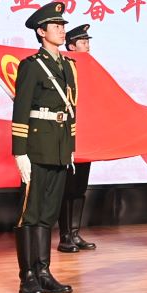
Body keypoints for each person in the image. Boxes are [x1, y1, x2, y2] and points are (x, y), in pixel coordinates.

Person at [11, 1, 79, 293]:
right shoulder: (31, 65)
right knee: (31, 214)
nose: (62, 30)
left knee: (48, 214)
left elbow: (72, 108)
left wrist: (70, 146)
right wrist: (20, 152)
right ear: (41, 32)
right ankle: (27, 276)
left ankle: (44, 272)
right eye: (56, 26)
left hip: (59, 146)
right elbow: (21, 109)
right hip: (37, 147)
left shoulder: (68, 65)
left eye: (63, 25)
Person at [58, 23, 97, 253]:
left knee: (80, 187)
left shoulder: (91, 68)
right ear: (71, 46)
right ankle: (65, 236)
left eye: (88, 42)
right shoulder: (64, 67)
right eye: (83, 42)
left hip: (86, 134)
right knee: (67, 187)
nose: (87, 46)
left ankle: (75, 232)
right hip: (68, 134)